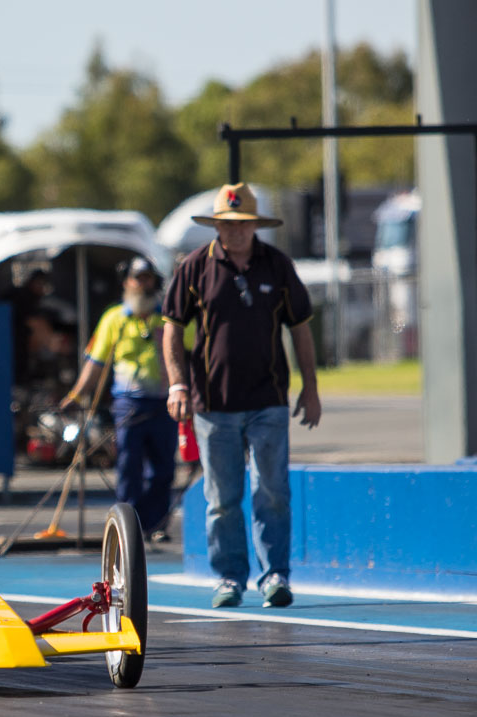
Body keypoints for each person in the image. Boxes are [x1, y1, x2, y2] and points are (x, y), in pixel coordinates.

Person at [161, 183, 321, 608]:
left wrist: (310, 387)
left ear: (255, 226)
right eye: (227, 224)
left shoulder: (277, 265)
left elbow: (300, 328)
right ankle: (229, 577)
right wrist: (178, 384)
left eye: (243, 224)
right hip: (213, 405)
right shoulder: (195, 267)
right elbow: (172, 328)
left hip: (268, 399)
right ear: (216, 226)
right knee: (222, 499)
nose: (235, 231)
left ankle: (275, 575)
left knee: (273, 491)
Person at [60, 256, 176, 538]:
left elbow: (192, 350)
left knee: (163, 468)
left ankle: (155, 523)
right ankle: (129, 524)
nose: (142, 284)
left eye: (147, 278)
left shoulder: (168, 317)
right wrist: (76, 395)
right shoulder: (115, 318)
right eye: (137, 279)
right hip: (128, 404)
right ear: (126, 283)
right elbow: (96, 362)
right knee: (128, 464)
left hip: (163, 403)